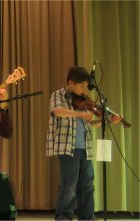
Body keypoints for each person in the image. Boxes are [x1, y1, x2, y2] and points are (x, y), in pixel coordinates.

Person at [47, 66, 120, 220]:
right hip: (67, 147)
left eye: (86, 86)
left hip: (85, 147)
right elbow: (58, 111)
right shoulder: (58, 95)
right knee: (69, 185)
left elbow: (90, 124)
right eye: (81, 86)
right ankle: (64, 217)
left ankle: (87, 217)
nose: (84, 90)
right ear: (70, 82)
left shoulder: (83, 100)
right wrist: (80, 114)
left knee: (87, 184)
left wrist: (106, 120)